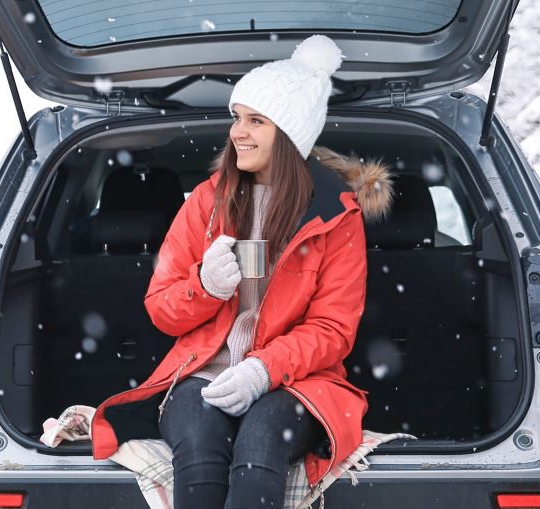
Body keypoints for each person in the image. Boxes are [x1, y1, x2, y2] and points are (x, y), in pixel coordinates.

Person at [87, 35, 394, 508]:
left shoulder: (338, 217)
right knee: (200, 448)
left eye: (256, 120)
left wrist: (263, 369)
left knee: (261, 441)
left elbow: (333, 330)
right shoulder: (207, 202)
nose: (237, 132)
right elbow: (161, 310)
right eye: (237, 117)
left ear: (289, 133)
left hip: (297, 381)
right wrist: (204, 287)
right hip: (200, 374)